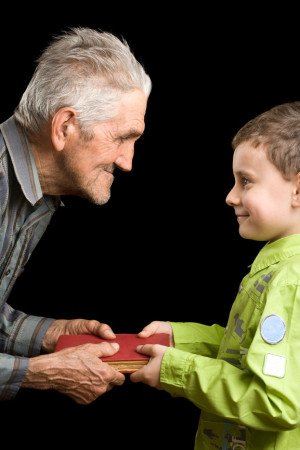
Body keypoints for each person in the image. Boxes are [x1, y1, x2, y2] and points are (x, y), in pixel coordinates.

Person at [131, 102, 300, 449]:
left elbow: (277, 403)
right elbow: (247, 349)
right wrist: (179, 339)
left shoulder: (292, 280)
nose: (230, 196)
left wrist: (177, 370)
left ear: (297, 190)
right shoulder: (278, 265)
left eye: (246, 181)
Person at [0, 27, 151, 403]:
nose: (128, 162)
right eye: (121, 138)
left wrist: (51, 334)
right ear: (65, 126)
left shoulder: (41, 192)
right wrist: (38, 373)